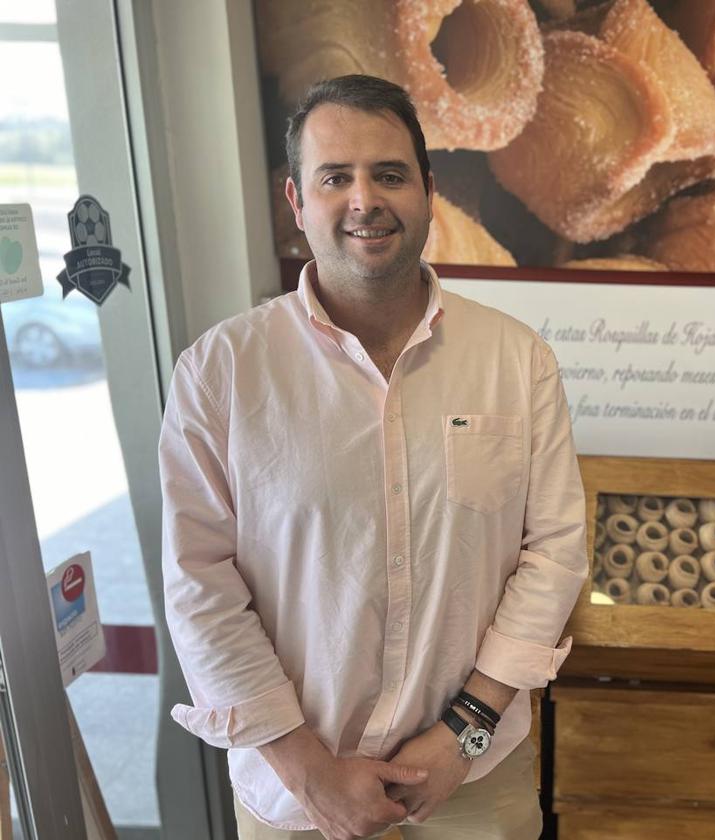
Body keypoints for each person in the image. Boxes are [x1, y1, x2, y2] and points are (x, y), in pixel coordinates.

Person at [159, 74, 588, 840]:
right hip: (298, 798)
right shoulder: (221, 373)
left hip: (472, 784)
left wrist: (468, 731)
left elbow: (553, 551)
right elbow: (201, 587)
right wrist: (309, 773)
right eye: (336, 178)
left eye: (389, 174)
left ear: (427, 189)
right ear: (296, 202)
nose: (365, 200)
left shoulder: (516, 361)